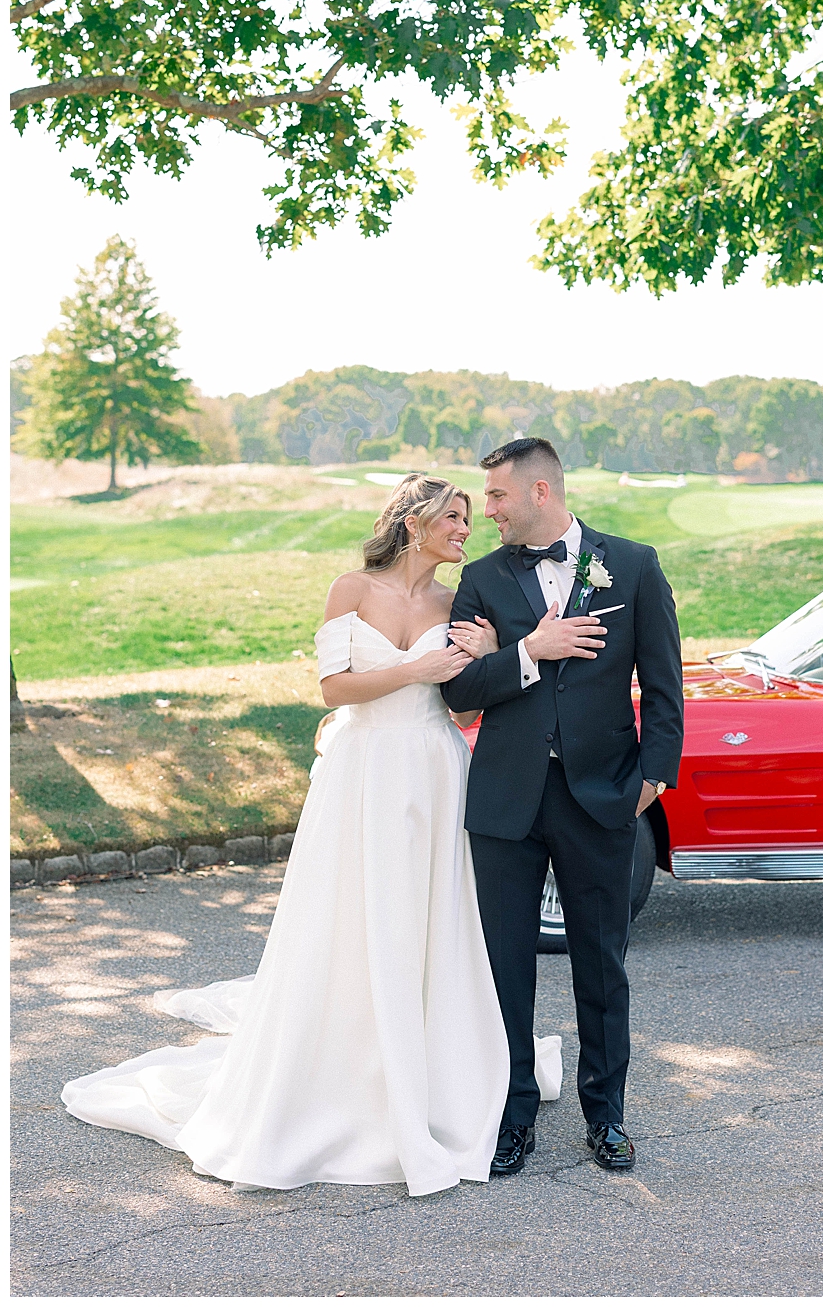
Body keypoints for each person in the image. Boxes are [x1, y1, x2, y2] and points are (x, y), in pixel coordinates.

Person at [61, 475, 560, 1197]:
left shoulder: (457, 604)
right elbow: (332, 689)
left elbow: (462, 709)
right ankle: (346, 1069)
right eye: (453, 516)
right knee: (351, 918)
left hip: (433, 770)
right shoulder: (351, 590)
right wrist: (415, 667)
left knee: (429, 920)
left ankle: (431, 1070)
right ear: (413, 521)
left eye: (466, 517)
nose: (465, 528)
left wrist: (486, 655)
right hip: (362, 772)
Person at [442, 438, 684, 1175]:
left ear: (540, 491)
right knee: (504, 970)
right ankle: (512, 1116)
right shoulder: (481, 579)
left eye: (496, 497)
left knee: (601, 968)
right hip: (506, 802)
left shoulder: (633, 565)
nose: (487, 512)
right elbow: (457, 692)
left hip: (602, 797)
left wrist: (654, 778)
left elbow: (664, 684)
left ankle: (605, 1118)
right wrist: (528, 651)